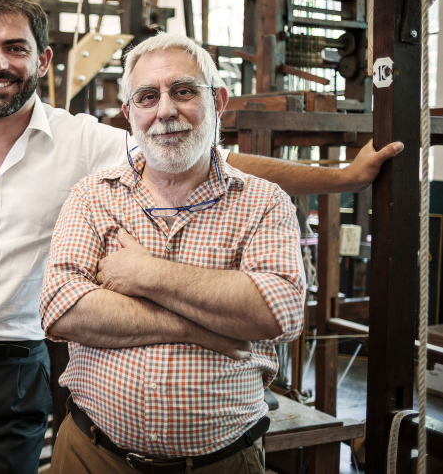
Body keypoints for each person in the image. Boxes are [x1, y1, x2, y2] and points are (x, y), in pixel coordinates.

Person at [0, 0, 400, 474]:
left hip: (19, 366)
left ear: (42, 61)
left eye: (15, 48)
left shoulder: (82, 142)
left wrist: (340, 178)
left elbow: (205, 155)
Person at [40, 32, 308, 473]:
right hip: (93, 455)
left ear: (218, 100)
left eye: (183, 91)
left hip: (223, 461)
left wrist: (146, 274)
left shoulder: (264, 201)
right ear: (129, 114)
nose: (165, 111)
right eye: (147, 97)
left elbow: (278, 312)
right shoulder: (92, 196)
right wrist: (205, 330)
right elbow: (60, 309)